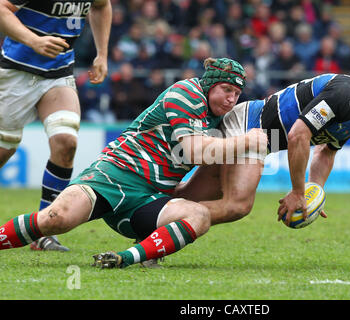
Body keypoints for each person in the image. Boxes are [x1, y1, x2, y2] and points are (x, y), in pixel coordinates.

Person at [0, 58, 268, 269]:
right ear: (210, 85)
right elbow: (196, 151)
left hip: (147, 200)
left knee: (199, 215)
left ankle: (125, 258)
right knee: (57, 219)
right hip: (113, 176)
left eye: (237, 93)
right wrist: (246, 141)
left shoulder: (219, 117)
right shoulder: (187, 93)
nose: (232, 99)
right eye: (226, 90)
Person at [175, 51, 350, 228]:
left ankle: (156, 216)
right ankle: (159, 221)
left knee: (192, 197)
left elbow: (326, 151)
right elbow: (298, 135)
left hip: (256, 136)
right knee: (238, 205)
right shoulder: (345, 93)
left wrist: (313, 192)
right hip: (249, 125)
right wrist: (298, 191)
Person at [0, 0, 112, 251]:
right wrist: (34, 41)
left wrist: (102, 54)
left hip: (58, 73)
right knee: (3, 151)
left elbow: (102, 6)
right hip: (15, 73)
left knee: (66, 143)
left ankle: (43, 230)